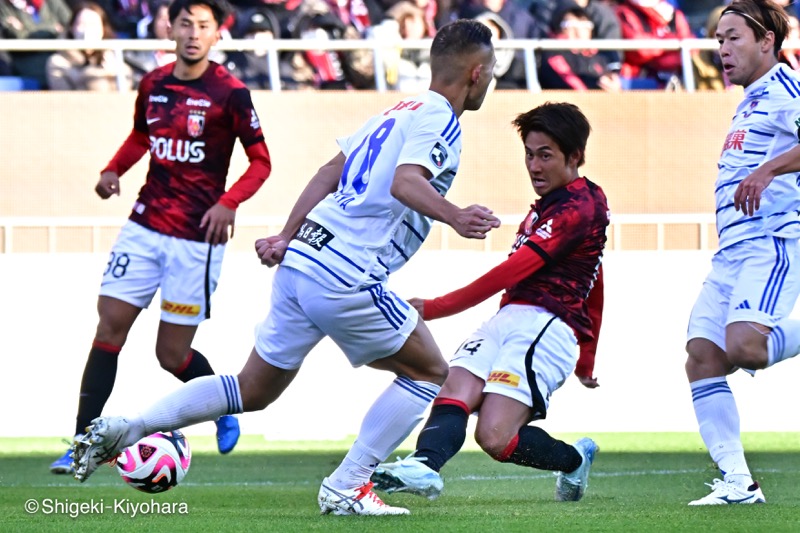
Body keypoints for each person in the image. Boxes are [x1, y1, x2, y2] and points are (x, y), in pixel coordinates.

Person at [71, 19, 499, 516]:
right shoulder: (440, 117)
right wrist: (456, 214)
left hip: (304, 260)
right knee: (430, 372)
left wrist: (286, 235)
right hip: (346, 271)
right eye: (491, 73)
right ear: (477, 71)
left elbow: (327, 172)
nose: (490, 81)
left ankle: (132, 425)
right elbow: (406, 182)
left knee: (250, 389)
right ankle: (348, 486)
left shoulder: (398, 108)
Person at [49, 0, 272, 474]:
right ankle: (82, 443)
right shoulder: (153, 84)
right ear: (170, 28)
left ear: (217, 35)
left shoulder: (231, 93)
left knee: (171, 355)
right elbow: (140, 137)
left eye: (203, 26)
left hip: (197, 239)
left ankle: (221, 406)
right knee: (109, 327)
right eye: (185, 23)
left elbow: (261, 161)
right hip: (144, 227)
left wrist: (227, 202)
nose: (193, 33)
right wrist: (113, 170)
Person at [369, 102, 609, 502]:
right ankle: (424, 466)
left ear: (576, 156)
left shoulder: (581, 205)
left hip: (546, 327)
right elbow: (595, 276)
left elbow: (511, 272)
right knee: (453, 383)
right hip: (510, 318)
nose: (534, 166)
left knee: (495, 437)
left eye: (545, 155)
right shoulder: (549, 206)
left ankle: (573, 460)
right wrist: (588, 357)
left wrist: (434, 306)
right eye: (529, 154)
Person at [685, 0, 800, 506]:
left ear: (766, 42)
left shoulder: (784, 87)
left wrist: (769, 170)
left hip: (771, 241)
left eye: (733, 38)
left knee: (745, 348)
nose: (723, 50)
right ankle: (739, 483)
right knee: (703, 357)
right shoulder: (751, 98)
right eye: (719, 40)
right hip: (731, 251)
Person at [46, 1, 134, 91]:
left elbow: (125, 93)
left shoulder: (114, 60)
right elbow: (62, 100)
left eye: (93, 25)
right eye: (82, 24)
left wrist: (112, 74)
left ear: (103, 29)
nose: (87, 30)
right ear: (72, 28)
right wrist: (92, 76)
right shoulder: (58, 63)